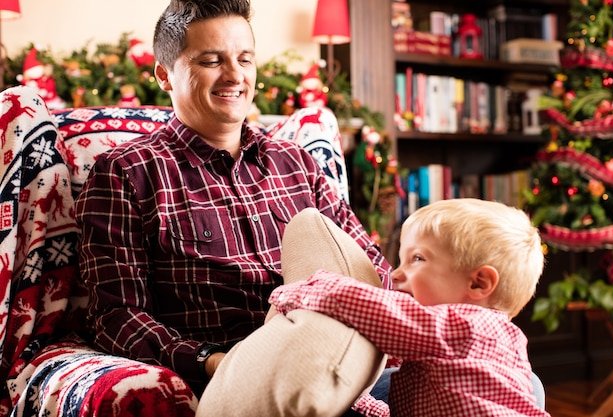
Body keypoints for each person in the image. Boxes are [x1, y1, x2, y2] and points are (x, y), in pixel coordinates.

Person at [74, 0, 391, 407]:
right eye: (211, 61)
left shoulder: (296, 162)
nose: (235, 75)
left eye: (245, 58)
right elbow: (116, 317)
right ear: (164, 76)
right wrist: (217, 362)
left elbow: (371, 266)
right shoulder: (126, 172)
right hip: (231, 378)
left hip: (341, 364)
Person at [268, 198, 550, 416]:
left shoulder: (461, 325)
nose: (396, 274)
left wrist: (301, 289)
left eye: (416, 259)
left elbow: (369, 306)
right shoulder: (507, 341)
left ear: (478, 283)